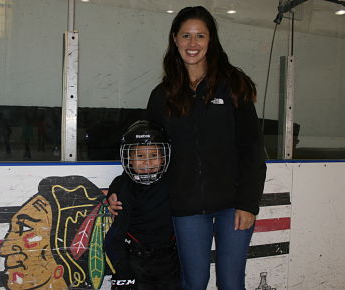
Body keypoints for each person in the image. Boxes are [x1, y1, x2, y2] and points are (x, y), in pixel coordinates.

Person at [109, 6, 267, 290]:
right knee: (194, 283)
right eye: (186, 36)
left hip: (234, 206)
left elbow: (252, 149)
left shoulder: (233, 87)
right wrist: (117, 189)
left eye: (200, 36)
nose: (193, 44)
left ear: (211, 40)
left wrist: (248, 203)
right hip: (185, 209)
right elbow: (146, 154)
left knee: (231, 283)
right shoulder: (162, 96)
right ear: (175, 39)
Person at [104, 120, 181, 290]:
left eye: (153, 155)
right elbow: (113, 240)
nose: (147, 162)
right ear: (129, 159)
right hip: (134, 262)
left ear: (163, 158)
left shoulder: (172, 182)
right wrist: (124, 273)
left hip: (170, 262)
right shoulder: (125, 188)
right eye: (140, 156)